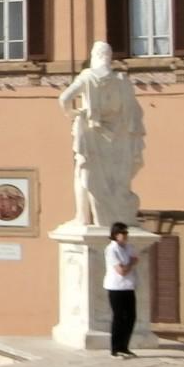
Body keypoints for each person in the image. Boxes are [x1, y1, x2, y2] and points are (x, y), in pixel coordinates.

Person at [58, 41, 146, 228]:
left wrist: (72, 113)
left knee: (83, 175)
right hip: (119, 137)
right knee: (117, 179)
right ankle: (115, 216)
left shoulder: (87, 77)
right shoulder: (122, 81)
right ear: (109, 57)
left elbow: (64, 98)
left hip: (91, 135)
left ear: (94, 56)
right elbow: (134, 113)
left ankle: (83, 217)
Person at [105, 221, 139, 358]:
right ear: (115, 234)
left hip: (128, 286)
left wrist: (130, 264)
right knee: (118, 317)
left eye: (126, 232)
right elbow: (121, 271)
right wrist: (131, 263)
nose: (125, 235)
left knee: (131, 317)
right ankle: (115, 348)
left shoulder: (128, 247)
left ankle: (124, 347)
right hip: (116, 287)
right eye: (122, 232)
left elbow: (134, 260)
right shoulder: (111, 249)